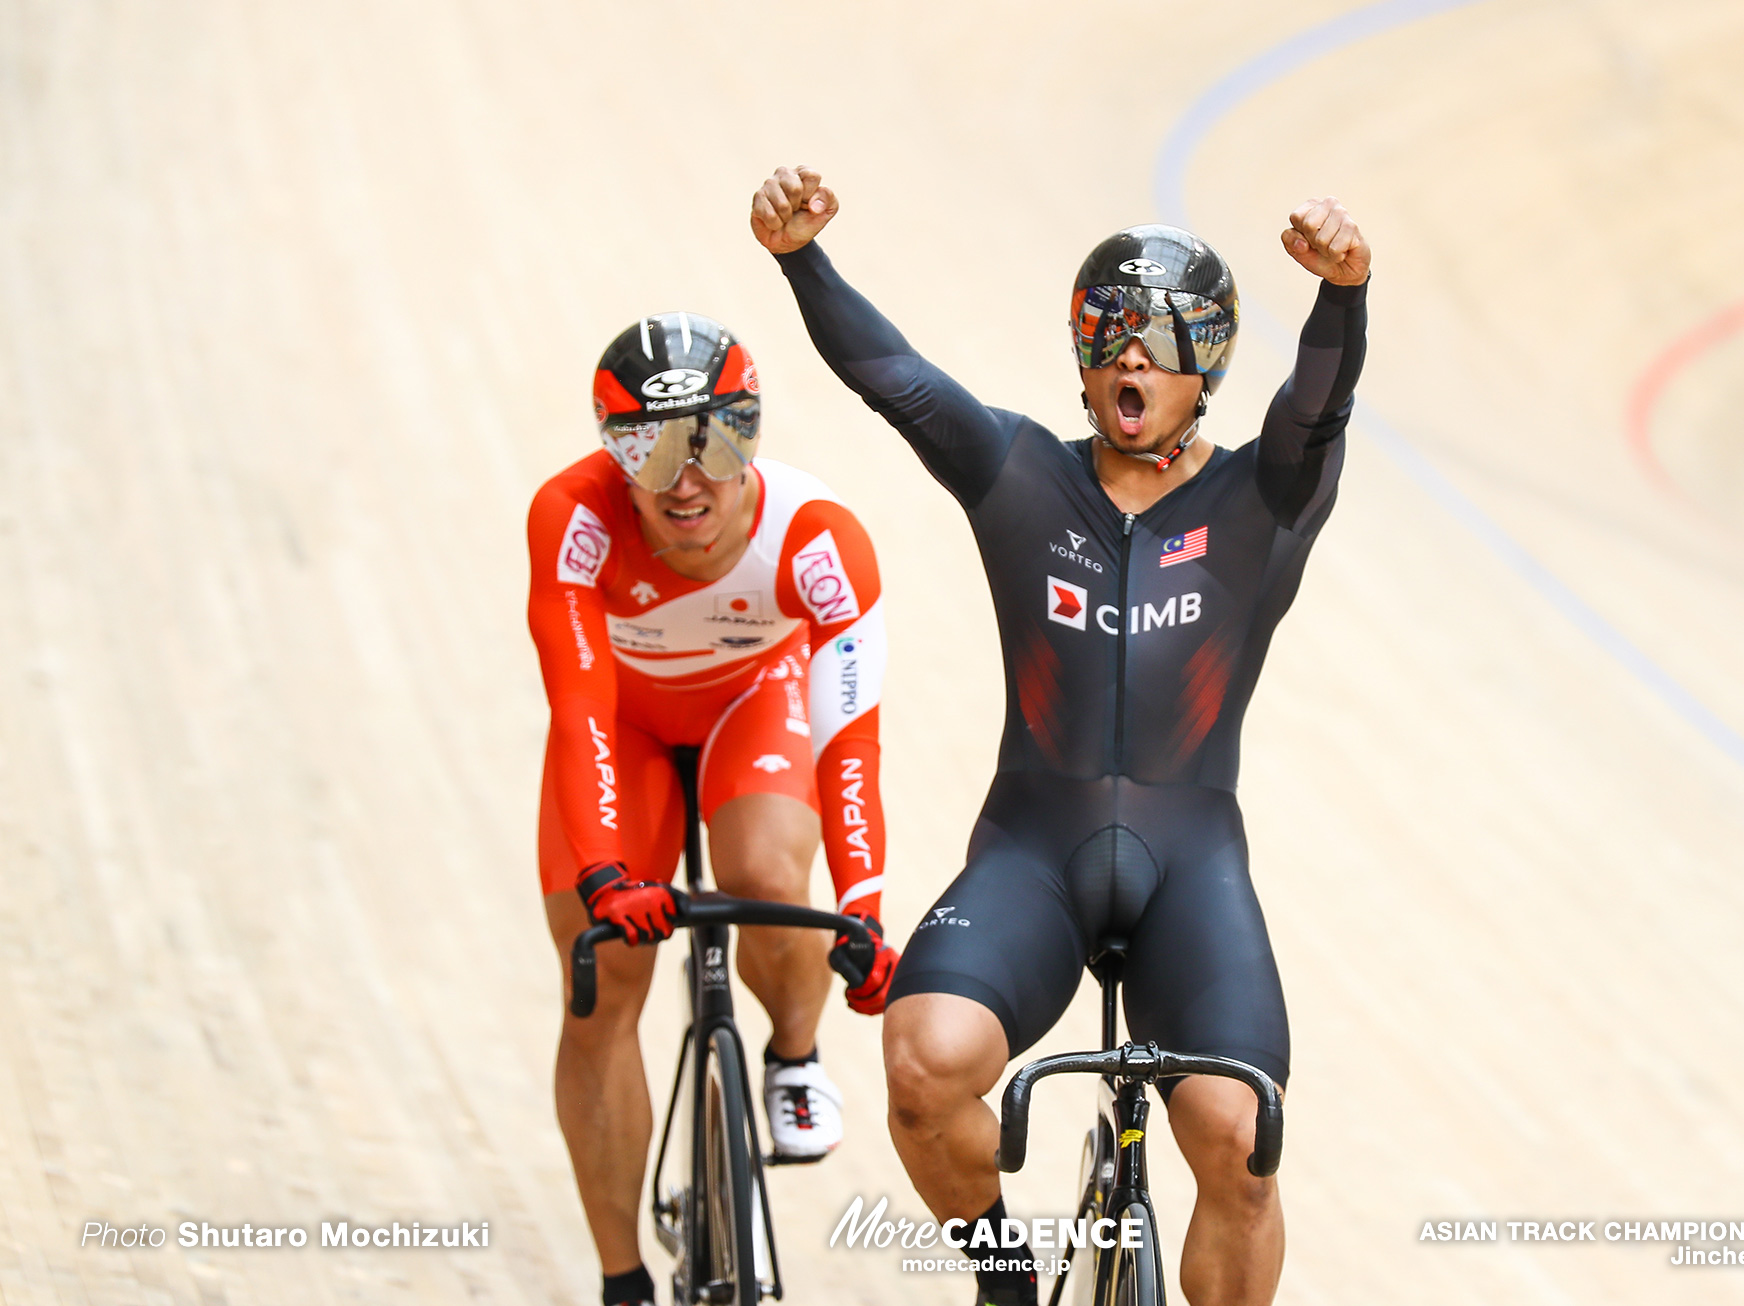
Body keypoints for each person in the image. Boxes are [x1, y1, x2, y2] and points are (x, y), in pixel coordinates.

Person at [751, 164, 1369, 1306]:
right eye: (1110, 331)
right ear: (1081, 354)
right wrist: (802, 259)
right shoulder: (1019, 472)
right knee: (922, 1067)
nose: (1133, 354)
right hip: (1033, 852)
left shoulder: (1263, 498)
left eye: (1165, 336)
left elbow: (1316, 408)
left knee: (1240, 1144)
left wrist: (1342, 296)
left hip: (1191, 869)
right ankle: (1004, 1278)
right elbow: (897, 381)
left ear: (1208, 367)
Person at [527, 310, 902, 1306]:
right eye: (645, 448)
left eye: (715, 439)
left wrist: (862, 904)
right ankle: (623, 1282)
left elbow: (848, 742)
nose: (684, 480)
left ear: (753, 434)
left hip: (755, 703)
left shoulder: (817, 537)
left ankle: (791, 1052)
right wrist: (607, 871)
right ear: (611, 451)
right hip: (628, 731)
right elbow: (581, 707)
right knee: (602, 989)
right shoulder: (573, 517)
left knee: (773, 879)